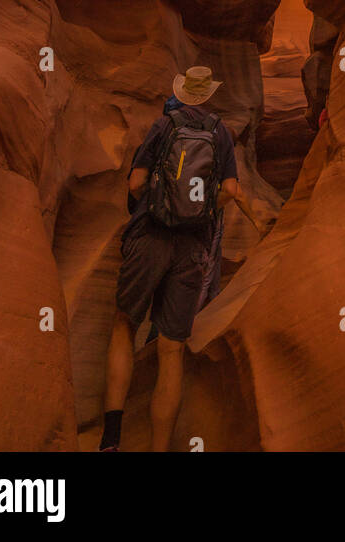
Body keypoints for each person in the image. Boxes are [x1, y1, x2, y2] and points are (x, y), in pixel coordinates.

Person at [99, 65, 258, 452]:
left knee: (124, 324)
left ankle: (111, 440)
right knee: (172, 348)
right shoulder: (219, 132)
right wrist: (202, 214)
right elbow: (231, 190)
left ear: (182, 93)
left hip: (150, 238)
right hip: (193, 249)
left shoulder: (163, 126)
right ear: (207, 96)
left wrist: (152, 206)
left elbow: (136, 182)